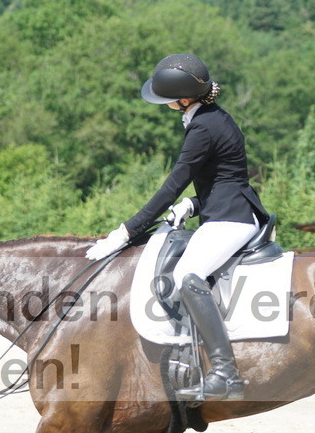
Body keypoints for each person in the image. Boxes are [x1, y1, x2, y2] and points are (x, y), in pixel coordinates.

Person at [86, 53, 269, 402]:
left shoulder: (203, 126)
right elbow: (224, 179)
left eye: (167, 98)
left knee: (188, 275)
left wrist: (125, 232)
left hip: (233, 217)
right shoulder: (212, 118)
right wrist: (194, 205)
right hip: (226, 208)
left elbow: (173, 184)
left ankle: (225, 372)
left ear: (183, 98)